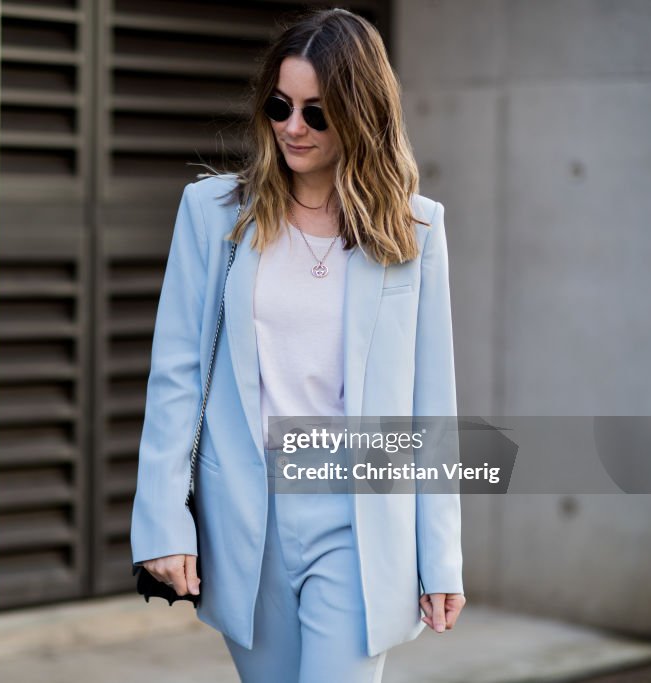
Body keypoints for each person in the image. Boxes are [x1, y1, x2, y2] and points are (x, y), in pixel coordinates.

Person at [130, 8, 466, 682]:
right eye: (280, 106)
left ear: (359, 113)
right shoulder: (214, 213)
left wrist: (441, 555)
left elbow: (431, 404)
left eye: (317, 113)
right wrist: (162, 520)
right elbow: (177, 375)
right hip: (244, 519)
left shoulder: (414, 231)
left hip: (357, 518)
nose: (292, 126)